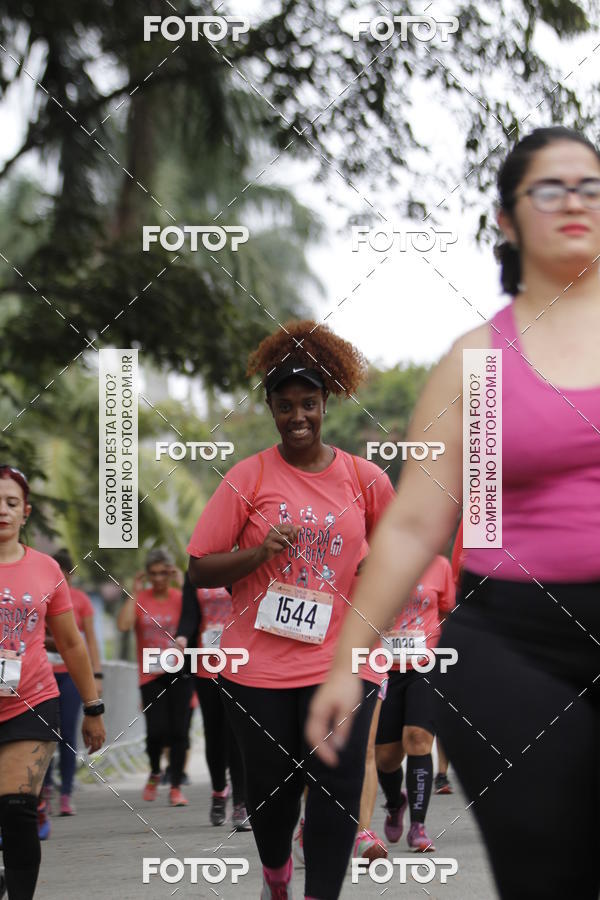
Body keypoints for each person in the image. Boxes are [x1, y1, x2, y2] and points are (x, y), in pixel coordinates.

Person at [306, 126, 600, 899]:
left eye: (591, 187)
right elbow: (412, 525)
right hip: (515, 643)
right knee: (552, 874)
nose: (575, 201)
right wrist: (347, 664)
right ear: (507, 218)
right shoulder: (478, 362)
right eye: (550, 188)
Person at [187, 321, 395, 900]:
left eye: (308, 403)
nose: (297, 416)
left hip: (342, 663)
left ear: (326, 403)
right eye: (285, 406)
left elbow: (396, 556)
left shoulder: (365, 479)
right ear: (271, 409)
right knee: (273, 795)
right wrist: (258, 553)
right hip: (258, 668)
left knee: (336, 786)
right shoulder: (248, 477)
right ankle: (276, 876)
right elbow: (200, 567)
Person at [0, 465, 104, 899]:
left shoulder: (46, 569)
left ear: (25, 512)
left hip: (31, 701)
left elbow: (71, 643)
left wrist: (93, 706)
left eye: (11, 503)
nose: (2, 511)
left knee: (17, 809)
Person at [375, 554, 455, 851]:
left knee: (418, 738)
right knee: (386, 758)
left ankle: (418, 827)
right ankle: (396, 802)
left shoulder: (439, 564)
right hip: (384, 667)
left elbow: (446, 612)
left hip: (426, 665)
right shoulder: (376, 559)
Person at [117, 549, 191, 807]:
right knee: (156, 731)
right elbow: (124, 626)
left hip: (179, 672)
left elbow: (194, 622)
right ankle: (155, 771)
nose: (159, 579)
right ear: (147, 575)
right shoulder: (141, 599)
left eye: (163, 573)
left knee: (179, 732)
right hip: (150, 675)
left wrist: (183, 585)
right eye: (154, 574)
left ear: (170, 573)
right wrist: (134, 593)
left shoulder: (180, 598)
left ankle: (176, 787)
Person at [176, 573, 250, 830]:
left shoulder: (245, 565)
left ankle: (241, 802)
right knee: (214, 733)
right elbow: (189, 615)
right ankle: (219, 792)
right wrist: (182, 637)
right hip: (206, 663)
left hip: (240, 662)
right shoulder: (196, 573)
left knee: (237, 734)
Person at [42, 549, 103, 819]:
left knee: (67, 733)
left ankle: (66, 792)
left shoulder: (80, 600)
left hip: (70, 674)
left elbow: (90, 640)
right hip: (42, 673)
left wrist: (96, 675)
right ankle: (44, 791)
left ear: (69, 575)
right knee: (44, 734)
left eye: (63, 575)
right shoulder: (40, 595)